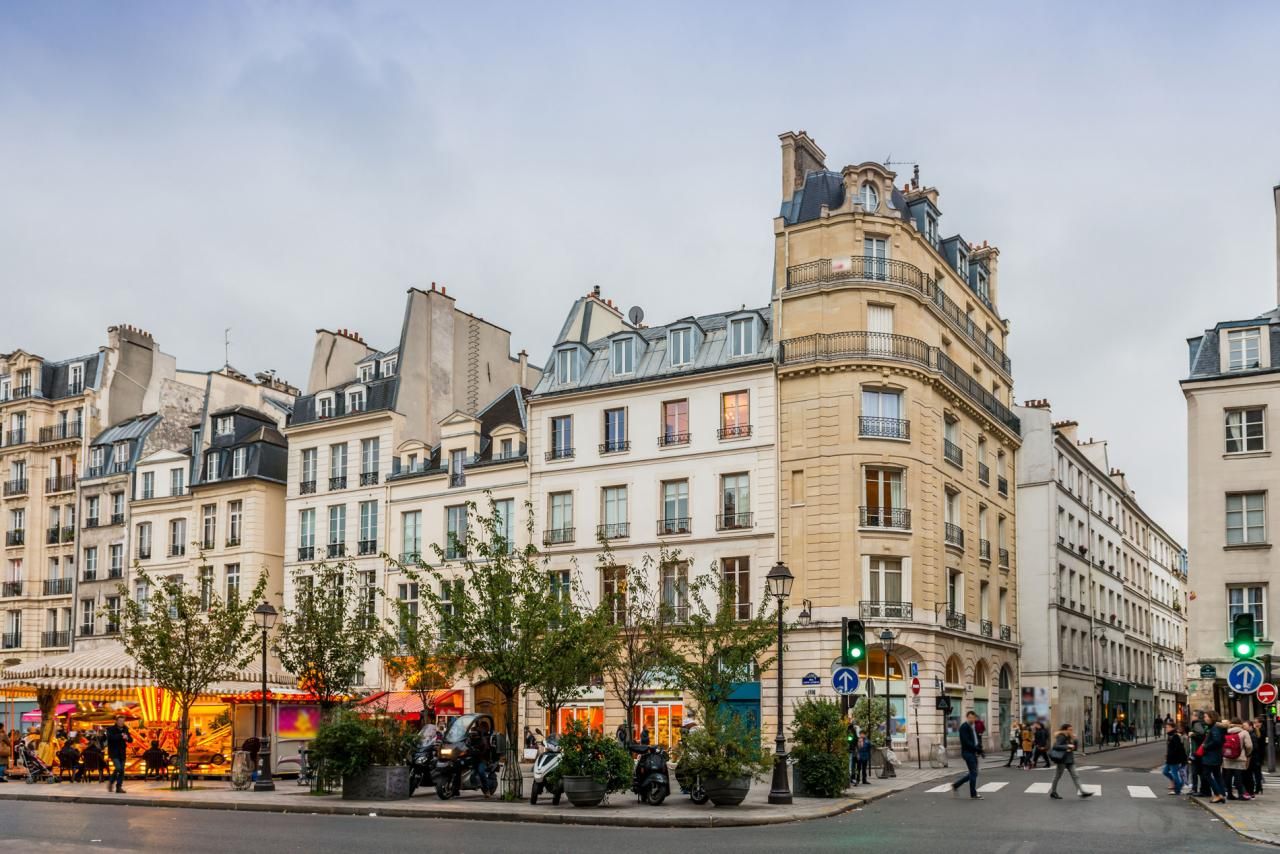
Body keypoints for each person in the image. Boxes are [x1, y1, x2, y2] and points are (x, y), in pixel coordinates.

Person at [1048, 723, 1092, 799]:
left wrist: (1075, 739)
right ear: (1065, 730)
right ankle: (1053, 792)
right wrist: (1067, 746)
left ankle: (1082, 792)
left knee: (1076, 776)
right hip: (1062, 760)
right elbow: (1055, 746)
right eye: (1070, 729)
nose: (1071, 730)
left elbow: (1075, 748)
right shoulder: (1061, 736)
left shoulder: (1070, 736)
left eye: (1072, 729)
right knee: (1057, 777)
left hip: (1070, 760)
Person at [949, 711, 984, 799]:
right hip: (967, 753)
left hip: (973, 752)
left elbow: (976, 739)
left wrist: (980, 750)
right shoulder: (964, 727)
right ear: (967, 717)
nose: (972, 719)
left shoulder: (973, 726)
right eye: (970, 717)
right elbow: (966, 742)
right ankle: (973, 794)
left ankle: (956, 785)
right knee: (973, 772)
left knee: (973, 773)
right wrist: (977, 749)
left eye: (973, 717)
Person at [1199, 711, 1228, 804]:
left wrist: (1205, 746)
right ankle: (1222, 794)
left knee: (1207, 774)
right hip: (1216, 755)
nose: (1205, 718)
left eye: (1206, 716)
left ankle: (1218, 794)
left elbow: (1216, 741)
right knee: (1217, 775)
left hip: (1211, 755)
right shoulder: (1218, 727)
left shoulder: (1215, 728)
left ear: (1211, 717)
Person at [1223, 718, 1253, 801]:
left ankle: (1229, 794)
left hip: (1227, 757)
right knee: (1238, 776)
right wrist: (1247, 754)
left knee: (1228, 776)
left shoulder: (1226, 732)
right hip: (1239, 757)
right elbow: (1249, 746)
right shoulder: (1244, 732)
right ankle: (1241, 794)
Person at [105, 715, 132, 794]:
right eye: (120, 721)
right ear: (116, 721)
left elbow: (131, 740)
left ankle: (118, 787)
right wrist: (121, 735)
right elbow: (111, 738)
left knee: (122, 770)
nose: (121, 723)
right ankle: (111, 782)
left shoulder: (125, 729)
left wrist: (127, 738)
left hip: (122, 752)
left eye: (123, 721)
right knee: (118, 768)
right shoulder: (110, 729)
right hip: (114, 752)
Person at [1162, 720, 1188, 795]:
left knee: (1174, 774)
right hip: (1170, 759)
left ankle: (1178, 788)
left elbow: (1178, 748)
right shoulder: (1170, 735)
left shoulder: (1175, 736)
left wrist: (1174, 756)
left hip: (1174, 759)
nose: (1166, 729)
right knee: (1165, 772)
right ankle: (1178, 784)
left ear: (1172, 728)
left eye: (1167, 727)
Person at [1189, 712, 1209, 797]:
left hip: (1197, 752)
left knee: (1195, 771)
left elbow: (1201, 733)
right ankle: (1199, 789)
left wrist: (1192, 734)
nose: (1191, 717)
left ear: (1196, 717)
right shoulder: (1202, 724)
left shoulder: (1196, 724)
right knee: (1199, 771)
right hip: (1200, 752)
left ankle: (1196, 789)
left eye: (1192, 715)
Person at [1247, 719, 1265, 797]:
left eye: (1256, 722)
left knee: (1256, 772)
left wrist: (1256, 729)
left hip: (1258, 754)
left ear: (1260, 723)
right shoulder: (1256, 731)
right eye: (1254, 722)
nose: (1255, 724)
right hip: (1258, 754)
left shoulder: (1260, 731)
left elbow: (1259, 740)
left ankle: (1258, 787)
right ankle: (1259, 787)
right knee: (1257, 772)